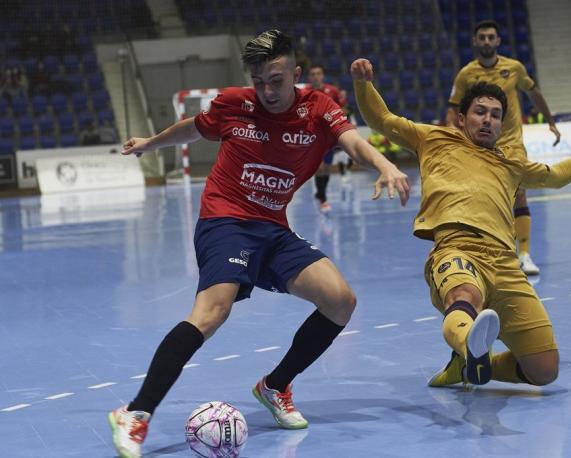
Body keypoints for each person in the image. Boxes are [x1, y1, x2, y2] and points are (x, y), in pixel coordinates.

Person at [108, 30, 410, 458]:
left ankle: (274, 387)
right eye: (259, 81)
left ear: (295, 73)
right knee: (213, 312)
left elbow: (353, 143)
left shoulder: (319, 108)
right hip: (225, 219)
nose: (267, 90)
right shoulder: (235, 103)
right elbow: (193, 130)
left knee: (341, 301)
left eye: (276, 79)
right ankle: (135, 414)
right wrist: (150, 144)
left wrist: (383, 164)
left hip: (273, 228)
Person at [351, 56, 571, 392]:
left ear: (502, 124)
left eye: (496, 115)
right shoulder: (434, 139)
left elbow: (556, 177)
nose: (488, 120)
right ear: (461, 118)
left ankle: (467, 365)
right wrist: (363, 84)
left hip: (506, 263)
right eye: (480, 112)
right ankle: (469, 342)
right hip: (457, 249)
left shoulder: (512, 163)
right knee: (464, 295)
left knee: (544, 369)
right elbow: (382, 119)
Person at [445, 20, 560, 275]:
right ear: (475, 41)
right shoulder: (466, 74)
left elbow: (534, 93)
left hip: (511, 143)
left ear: (498, 41)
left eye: (491, 37)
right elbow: (453, 109)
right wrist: (453, 135)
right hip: (478, 145)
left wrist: (551, 122)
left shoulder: (514, 68)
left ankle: (525, 254)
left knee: (519, 193)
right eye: (482, 37)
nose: (486, 41)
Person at [305, 64, 347, 213]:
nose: (316, 76)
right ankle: (323, 198)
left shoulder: (332, 91)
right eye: (313, 74)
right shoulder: (305, 92)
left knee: (327, 168)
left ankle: (320, 192)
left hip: (329, 135)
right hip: (313, 136)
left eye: (318, 73)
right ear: (309, 77)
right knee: (319, 167)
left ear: (322, 76)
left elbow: (342, 109)